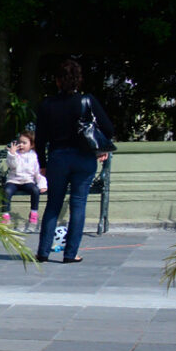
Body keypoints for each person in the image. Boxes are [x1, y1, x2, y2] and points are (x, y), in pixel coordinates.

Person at [31, 58, 116, 263]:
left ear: (58, 80)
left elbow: (40, 138)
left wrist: (42, 163)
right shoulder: (87, 101)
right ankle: (70, 253)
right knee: (78, 205)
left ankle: (43, 252)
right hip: (84, 158)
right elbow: (108, 129)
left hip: (58, 157)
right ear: (78, 80)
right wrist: (99, 150)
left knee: (53, 205)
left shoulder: (47, 104)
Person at [2, 128, 48, 230]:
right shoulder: (14, 154)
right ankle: (5, 214)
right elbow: (12, 166)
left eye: (24, 143)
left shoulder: (34, 156)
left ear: (31, 145)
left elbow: (37, 173)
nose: (21, 145)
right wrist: (12, 155)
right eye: (19, 142)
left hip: (27, 181)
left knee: (35, 190)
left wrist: (42, 184)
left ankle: (34, 213)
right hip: (14, 180)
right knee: (7, 191)